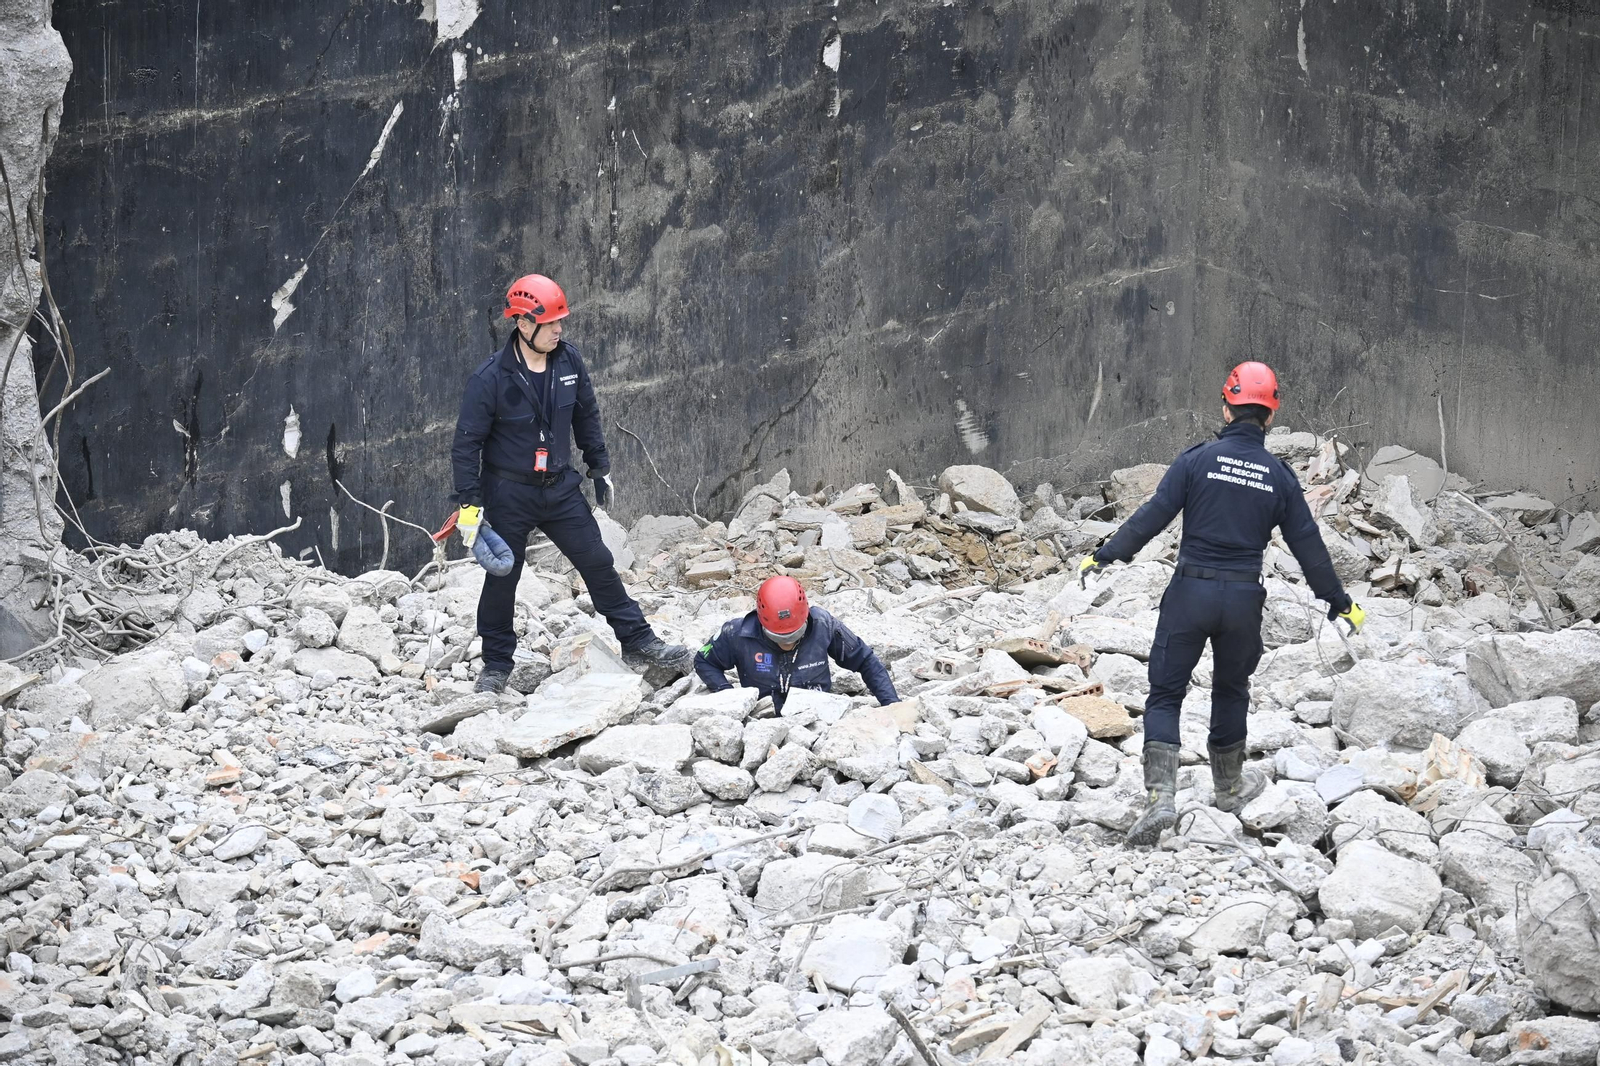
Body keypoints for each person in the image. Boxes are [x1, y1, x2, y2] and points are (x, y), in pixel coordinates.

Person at [1078, 361, 1365, 845]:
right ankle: (1229, 788)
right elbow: (1309, 548)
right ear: (1271, 415)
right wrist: (1339, 602)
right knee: (1231, 691)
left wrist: (1104, 555)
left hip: (1190, 593)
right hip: (1242, 599)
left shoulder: (1196, 461)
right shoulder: (1279, 477)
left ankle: (1160, 798)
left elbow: (1152, 517)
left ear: (1226, 405)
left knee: (1166, 693)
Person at [451, 273, 689, 692]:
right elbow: (466, 444)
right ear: (523, 324)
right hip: (509, 492)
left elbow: (586, 414)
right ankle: (496, 666)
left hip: (560, 487)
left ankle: (638, 642)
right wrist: (469, 503)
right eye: (551, 322)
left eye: (562, 320)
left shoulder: (568, 361)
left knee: (597, 560)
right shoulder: (491, 378)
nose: (560, 329)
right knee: (503, 578)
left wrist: (599, 466)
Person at [694, 576, 900, 710]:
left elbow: (865, 660)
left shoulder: (823, 625)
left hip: (817, 718)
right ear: (761, 621)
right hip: (763, 721)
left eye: (795, 636)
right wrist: (726, 694)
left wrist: (891, 705)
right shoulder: (738, 634)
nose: (788, 644)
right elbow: (704, 660)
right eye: (779, 638)